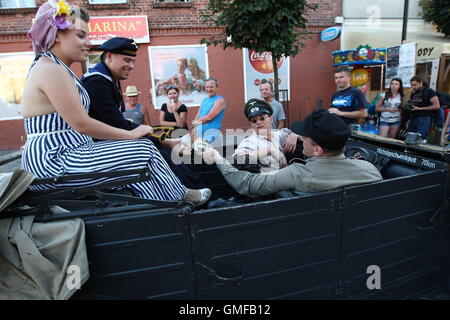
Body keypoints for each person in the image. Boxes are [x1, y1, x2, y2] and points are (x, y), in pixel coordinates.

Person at [23, 2, 210, 205]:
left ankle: (164, 209)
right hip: (56, 159)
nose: (88, 42)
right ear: (57, 35)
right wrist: (131, 135)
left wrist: (137, 135)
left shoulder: (57, 68)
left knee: (139, 156)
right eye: (80, 35)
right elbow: (81, 124)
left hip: (67, 153)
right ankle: (180, 198)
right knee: (142, 150)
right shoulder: (51, 69)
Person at [82, 37, 204, 190]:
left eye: (133, 61)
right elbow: (116, 123)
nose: (131, 66)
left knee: (163, 150)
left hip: (110, 140)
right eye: (127, 60)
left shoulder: (108, 78)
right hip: (98, 147)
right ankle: (192, 194)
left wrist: (159, 138)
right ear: (109, 56)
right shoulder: (97, 82)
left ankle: (196, 190)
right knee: (159, 152)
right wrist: (162, 140)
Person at [197, 109, 382, 198]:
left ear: (317, 150)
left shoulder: (298, 173)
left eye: (304, 137)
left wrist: (216, 157)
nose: (300, 138)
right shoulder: (370, 170)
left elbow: (247, 184)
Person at [232, 98, 300, 173]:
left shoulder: (277, 134)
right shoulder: (250, 142)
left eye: (262, 118)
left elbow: (302, 133)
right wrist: (269, 150)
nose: (258, 122)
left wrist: (294, 134)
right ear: (251, 125)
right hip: (268, 182)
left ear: (271, 119)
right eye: (254, 120)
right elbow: (237, 159)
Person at [192, 77, 226, 144]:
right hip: (199, 135)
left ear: (217, 87)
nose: (209, 89)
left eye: (211, 87)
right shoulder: (204, 100)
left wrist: (194, 123)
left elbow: (209, 117)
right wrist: (194, 129)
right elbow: (198, 116)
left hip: (211, 137)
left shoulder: (219, 100)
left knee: (210, 154)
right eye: (207, 87)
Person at [407, 75, 440, 141]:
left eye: (415, 85)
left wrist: (420, 109)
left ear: (421, 83)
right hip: (414, 117)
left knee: (420, 139)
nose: (413, 87)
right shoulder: (414, 93)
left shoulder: (429, 91)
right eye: (412, 85)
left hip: (424, 117)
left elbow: (436, 106)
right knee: (410, 138)